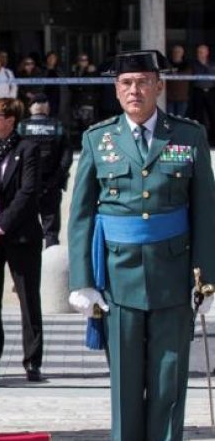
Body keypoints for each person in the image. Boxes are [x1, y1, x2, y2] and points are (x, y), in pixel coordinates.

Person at [67, 50, 215, 441]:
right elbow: (81, 215)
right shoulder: (98, 139)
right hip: (118, 279)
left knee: (169, 378)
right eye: (127, 83)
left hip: (173, 276)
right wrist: (81, 280)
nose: (135, 90)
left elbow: (205, 211)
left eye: (144, 82)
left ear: (159, 86)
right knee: (125, 382)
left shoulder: (188, 135)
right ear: (117, 90)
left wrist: (206, 279)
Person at [0, 97, 44, 381]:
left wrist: (0, 225)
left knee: (28, 298)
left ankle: (32, 360)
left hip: (19, 234)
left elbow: (28, 193)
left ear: (11, 120)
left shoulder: (28, 149)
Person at [18, 95, 71, 247]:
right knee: (51, 231)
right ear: (47, 107)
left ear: (30, 109)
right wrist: (55, 179)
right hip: (51, 186)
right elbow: (66, 158)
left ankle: (28, 266)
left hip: (26, 186)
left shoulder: (22, 127)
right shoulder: (57, 126)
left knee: (26, 228)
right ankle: (51, 267)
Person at [71, 52, 100, 137]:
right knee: (79, 124)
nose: (83, 62)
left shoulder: (92, 71)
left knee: (87, 125)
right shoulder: (75, 71)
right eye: (81, 60)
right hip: (77, 101)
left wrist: (92, 73)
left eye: (85, 60)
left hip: (88, 101)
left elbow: (94, 86)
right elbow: (71, 86)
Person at [191, 44, 215, 142]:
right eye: (198, 52)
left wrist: (206, 65)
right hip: (198, 92)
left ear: (207, 53)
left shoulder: (212, 64)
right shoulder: (194, 64)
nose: (199, 54)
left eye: (202, 52)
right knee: (198, 116)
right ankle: (199, 139)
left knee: (212, 115)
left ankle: (213, 139)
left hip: (211, 91)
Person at [165, 44, 189, 118]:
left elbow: (188, 76)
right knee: (170, 118)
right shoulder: (167, 64)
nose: (177, 53)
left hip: (182, 97)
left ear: (182, 53)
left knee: (180, 119)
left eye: (179, 52)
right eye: (175, 52)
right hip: (169, 97)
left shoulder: (187, 65)